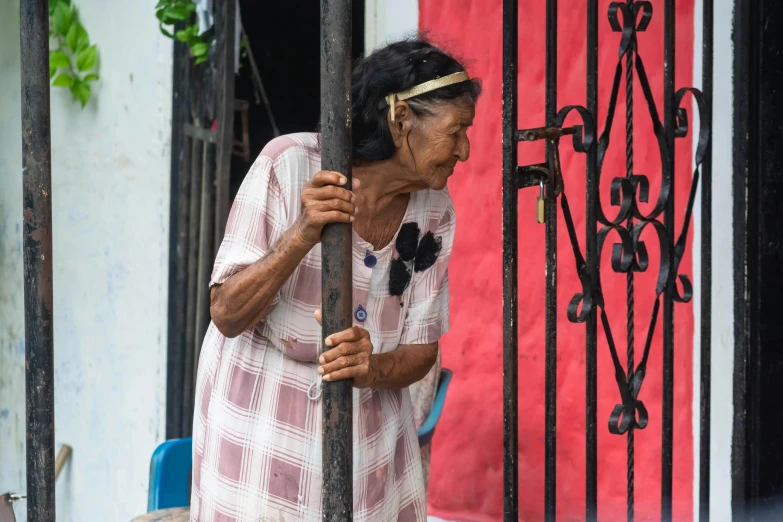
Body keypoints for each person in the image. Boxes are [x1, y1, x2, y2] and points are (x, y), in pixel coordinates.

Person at [190, 38, 481, 522]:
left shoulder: (436, 213)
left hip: (370, 449)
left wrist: (371, 369)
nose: (465, 150)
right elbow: (226, 312)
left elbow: (423, 350)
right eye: (456, 132)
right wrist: (304, 231)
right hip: (263, 433)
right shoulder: (290, 165)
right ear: (402, 118)